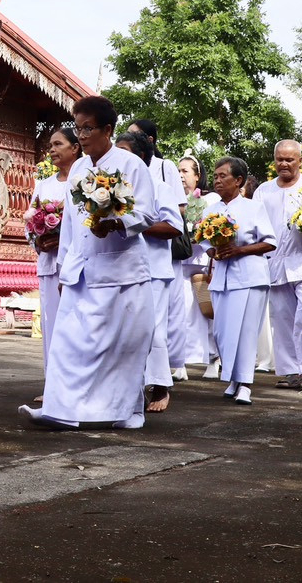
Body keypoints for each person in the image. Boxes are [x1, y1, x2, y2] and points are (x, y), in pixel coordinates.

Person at [20, 95, 165, 431]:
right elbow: (70, 223)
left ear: (108, 130)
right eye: (79, 129)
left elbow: (146, 213)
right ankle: (60, 408)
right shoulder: (80, 170)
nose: (82, 136)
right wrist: (65, 267)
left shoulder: (131, 165)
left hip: (122, 271)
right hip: (82, 270)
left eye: (88, 129)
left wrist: (117, 222)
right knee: (67, 342)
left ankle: (129, 411)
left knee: (123, 346)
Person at [120, 124, 186, 414]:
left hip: (155, 269)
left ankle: (160, 385)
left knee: (154, 330)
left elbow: (174, 227)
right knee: (126, 330)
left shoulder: (160, 188)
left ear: (142, 157)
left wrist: (135, 222)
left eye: (124, 153)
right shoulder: (111, 190)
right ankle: (128, 387)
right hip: (121, 267)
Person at [202, 157, 277, 405]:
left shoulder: (253, 207)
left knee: (245, 332)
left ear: (239, 181)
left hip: (249, 276)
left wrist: (239, 250)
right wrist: (214, 251)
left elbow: (270, 242)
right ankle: (233, 377)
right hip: (222, 277)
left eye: (224, 176)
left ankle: (245, 384)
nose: (218, 180)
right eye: (215, 175)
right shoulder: (211, 209)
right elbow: (204, 241)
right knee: (223, 332)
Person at [259, 140, 302, 392]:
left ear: (300, 161)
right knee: (283, 318)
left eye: (289, 159)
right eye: (279, 159)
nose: (284, 164)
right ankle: (290, 372)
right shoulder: (263, 191)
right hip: (276, 264)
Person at [28, 127, 78, 371]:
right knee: (51, 324)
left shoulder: (84, 182)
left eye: (58, 144)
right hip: (48, 263)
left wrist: (64, 239)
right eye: (50, 145)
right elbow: (30, 219)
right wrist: (37, 239)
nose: (52, 150)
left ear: (75, 148)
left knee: (74, 326)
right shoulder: (43, 185)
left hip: (76, 265)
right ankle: (53, 387)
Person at [171, 155, 218, 378]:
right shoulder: (174, 198)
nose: (180, 175)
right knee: (182, 315)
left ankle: (214, 358)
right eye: (178, 171)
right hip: (181, 262)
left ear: (197, 176)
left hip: (202, 264)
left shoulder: (210, 200)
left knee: (205, 311)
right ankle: (181, 363)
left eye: (185, 171)